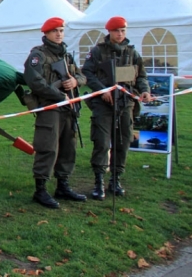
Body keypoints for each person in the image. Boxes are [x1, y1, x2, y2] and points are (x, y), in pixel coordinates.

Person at [82, 16, 150, 200]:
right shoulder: (98, 51)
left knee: (123, 142)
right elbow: (87, 72)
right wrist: (101, 89)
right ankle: (99, 182)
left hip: (126, 103)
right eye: (116, 31)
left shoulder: (132, 53)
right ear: (109, 32)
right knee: (102, 142)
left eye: (123, 31)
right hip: (103, 105)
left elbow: (141, 76)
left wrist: (144, 91)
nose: (120, 34)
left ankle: (116, 180)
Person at [23, 17, 87, 209]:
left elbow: (81, 74)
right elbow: (34, 81)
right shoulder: (38, 55)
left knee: (69, 147)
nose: (59, 34)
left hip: (68, 108)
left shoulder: (66, 56)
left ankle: (63, 185)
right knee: (48, 147)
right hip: (50, 107)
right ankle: (40, 189)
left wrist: (75, 82)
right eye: (55, 31)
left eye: (61, 30)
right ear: (46, 34)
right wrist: (58, 95)